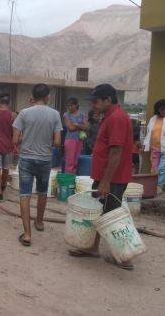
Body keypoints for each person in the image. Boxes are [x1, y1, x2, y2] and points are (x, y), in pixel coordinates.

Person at [68, 84, 135, 270]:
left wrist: (105, 181)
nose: (93, 105)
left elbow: (116, 151)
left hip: (112, 178)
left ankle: (124, 256)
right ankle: (93, 247)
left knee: (112, 215)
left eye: (96, 101)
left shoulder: (117, 118)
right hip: (106, 176)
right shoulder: (110, 117)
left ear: (108, 100)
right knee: (99, 212)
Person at [12, 84, 62, 246]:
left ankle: (27, 234)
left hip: (26, 158)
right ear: (47, 97)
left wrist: (26, 140)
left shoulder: (24, 113)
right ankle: (39, 222)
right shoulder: (55, 114)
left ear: (33, 96)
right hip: (45, 159)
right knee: (42, 192)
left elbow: (14, 140)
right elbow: (57, 142)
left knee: (25, 194)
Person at [63, 97, 88, 173]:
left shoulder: (82, 114)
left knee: (75, 161)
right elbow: (70, 128)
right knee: (70, 161)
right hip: (70, 139)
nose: (69, 107)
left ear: (76, 105)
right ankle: (68, 177)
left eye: (71, 105)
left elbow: (86, 127)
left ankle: (73, 177)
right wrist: (81, 126)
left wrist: (76, 125)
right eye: (68, 106)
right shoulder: (66, 115)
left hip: (79, 139)